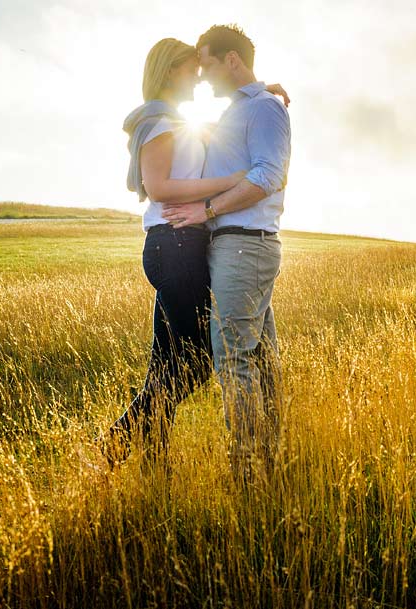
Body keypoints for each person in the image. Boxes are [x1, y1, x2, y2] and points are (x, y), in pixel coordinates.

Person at [97, 37, 288, 468]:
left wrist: (259, 91)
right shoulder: (161, 123)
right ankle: (116, 443)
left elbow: (224, 134)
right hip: (176, 245)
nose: (199, 77)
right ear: (169, 72)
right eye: (191, 69)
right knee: (199, 360)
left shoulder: (178, 121)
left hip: (184, 244)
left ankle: (152, 460)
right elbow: (159, 187)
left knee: (166, 363)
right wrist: (229, 183)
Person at [162, 25, 291, 481]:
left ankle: (247, 475)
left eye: (208, 63)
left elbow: (267, 175)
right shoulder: (249, 108)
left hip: (243, 244)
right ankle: (271, 463)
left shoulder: (264, 110)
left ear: (231, 60)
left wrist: (207, 209)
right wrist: (259, 92)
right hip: (236, 246)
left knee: (233, 358)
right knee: (261, 360)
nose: (201, 77)